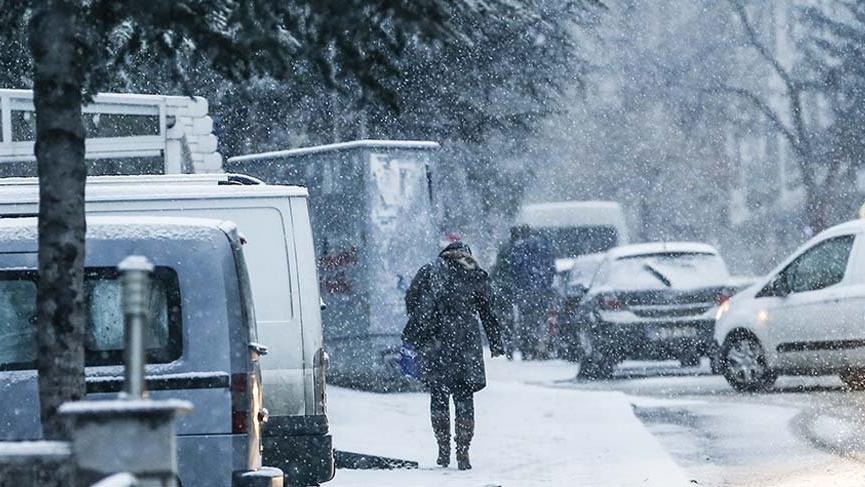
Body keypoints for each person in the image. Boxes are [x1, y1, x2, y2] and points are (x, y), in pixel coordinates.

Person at [403, 240, 505, 470]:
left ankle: (442, 449)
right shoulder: (475, 273)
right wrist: (496, 341)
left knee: (439, 395)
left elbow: (411, 299)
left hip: (436, 342)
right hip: (466, 341)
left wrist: (418, 330)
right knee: (464, 396)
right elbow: (488, 310)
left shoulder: (429, 271)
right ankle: (463, 451)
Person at [508, 226, 555, 360]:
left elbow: (514, 268)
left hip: (525, 290)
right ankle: (542, 348)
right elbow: (551, 267)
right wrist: (546, 283)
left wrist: (519, 284)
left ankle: (527, 348)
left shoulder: (519, 248)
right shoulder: (545, 247)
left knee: (526, 320)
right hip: (542, 290)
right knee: (542, 319)